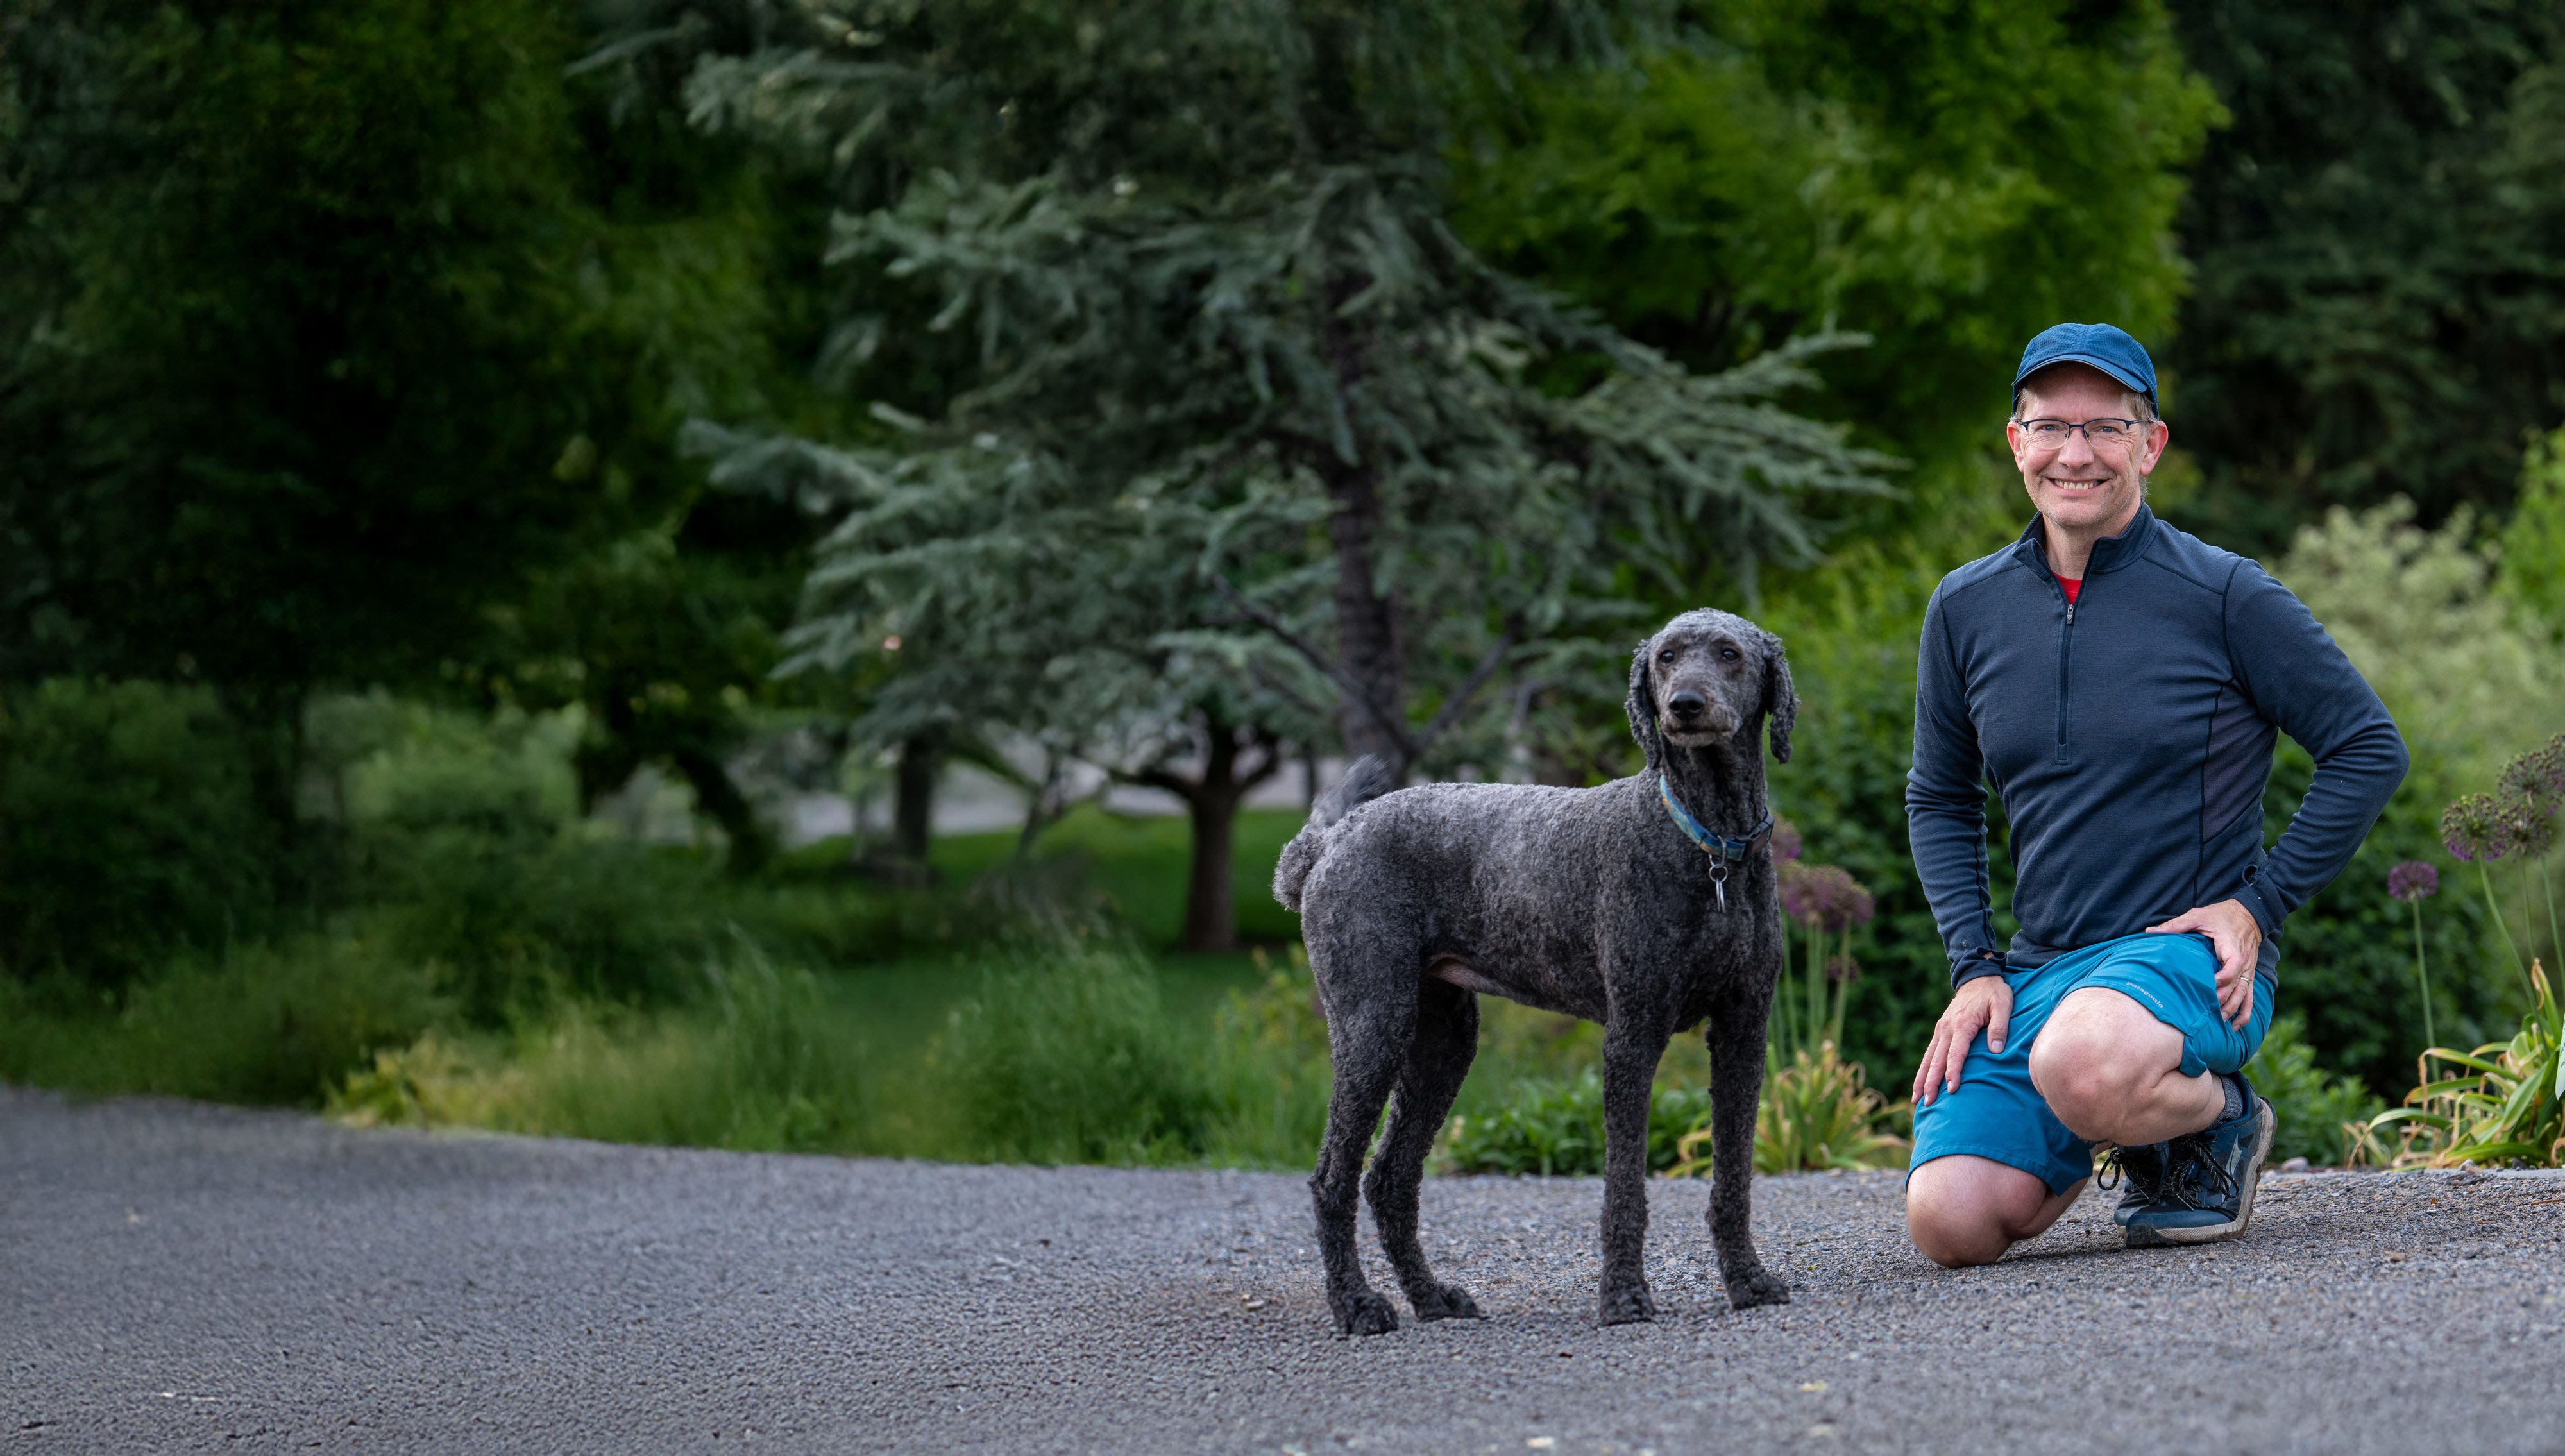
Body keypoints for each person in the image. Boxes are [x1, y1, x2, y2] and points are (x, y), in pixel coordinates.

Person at [1900, 322, 2408, 1267]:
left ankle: (2216, 1116)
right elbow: (1939, 796)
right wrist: (1974, 967)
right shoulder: (1965, 607)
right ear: (2016, 442)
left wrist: (2259, 904)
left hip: (2187, 962)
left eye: (2106, 427)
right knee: (1950, 1222)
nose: (2076, 453)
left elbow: (2368, 746)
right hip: (2040, 974)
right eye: (2052, 427)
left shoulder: (2224, 594)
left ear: (2151, 444)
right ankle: (2120, 1118)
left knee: (2083, 1058)